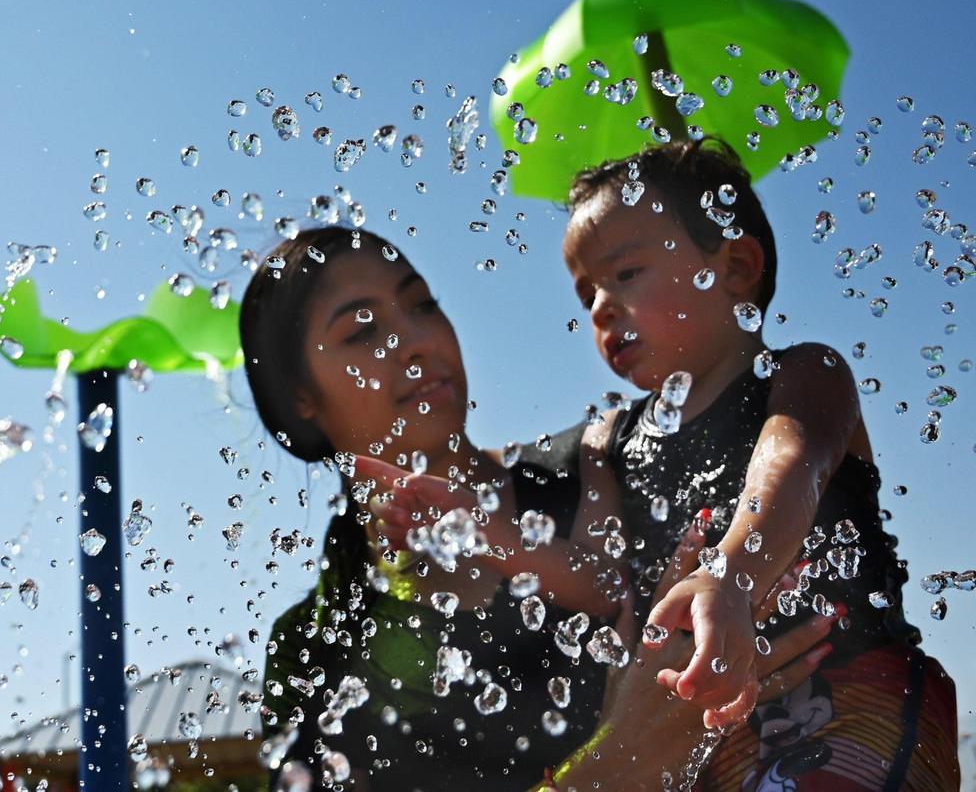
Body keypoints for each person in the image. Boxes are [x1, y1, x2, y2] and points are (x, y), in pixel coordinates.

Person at [241, 225, 833, 790]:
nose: (417, 339)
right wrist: (614, 765)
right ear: (300, 398)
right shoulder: (316, 648)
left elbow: (797, 431)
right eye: (363, 330)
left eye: (422, 305)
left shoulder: (608, 461)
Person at [561, 138, 959, 789]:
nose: (601, 306)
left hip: (850, 693)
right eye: (587, 294)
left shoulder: (802, 374)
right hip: (709, 725)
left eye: (625, 273)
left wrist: (732, 574)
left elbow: (791, 460)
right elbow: (596, 580)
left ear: (737, 267)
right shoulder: (615, 443)